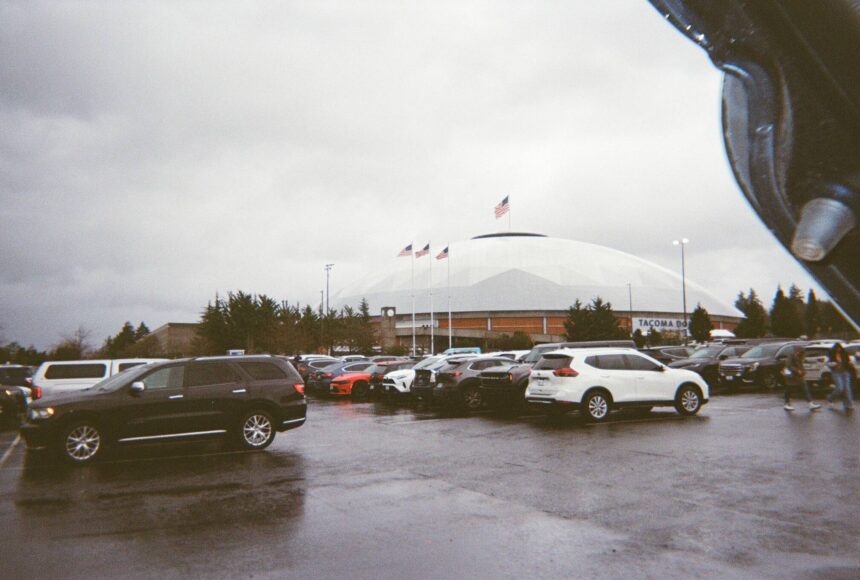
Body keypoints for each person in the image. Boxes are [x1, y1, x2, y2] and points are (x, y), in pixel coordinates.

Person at [826, 343, 855, 412]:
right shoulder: (831, 354)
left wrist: (845, 364)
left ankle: (849, 404)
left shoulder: (845, 353)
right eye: (836, 349)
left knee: (847, 388)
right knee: (840, 388)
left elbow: (848, 362)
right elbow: (828, 363)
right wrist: (833, 364)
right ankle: (830, 398)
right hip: (836, 372)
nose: (838, 350)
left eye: (839, 349)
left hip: (845, 372)